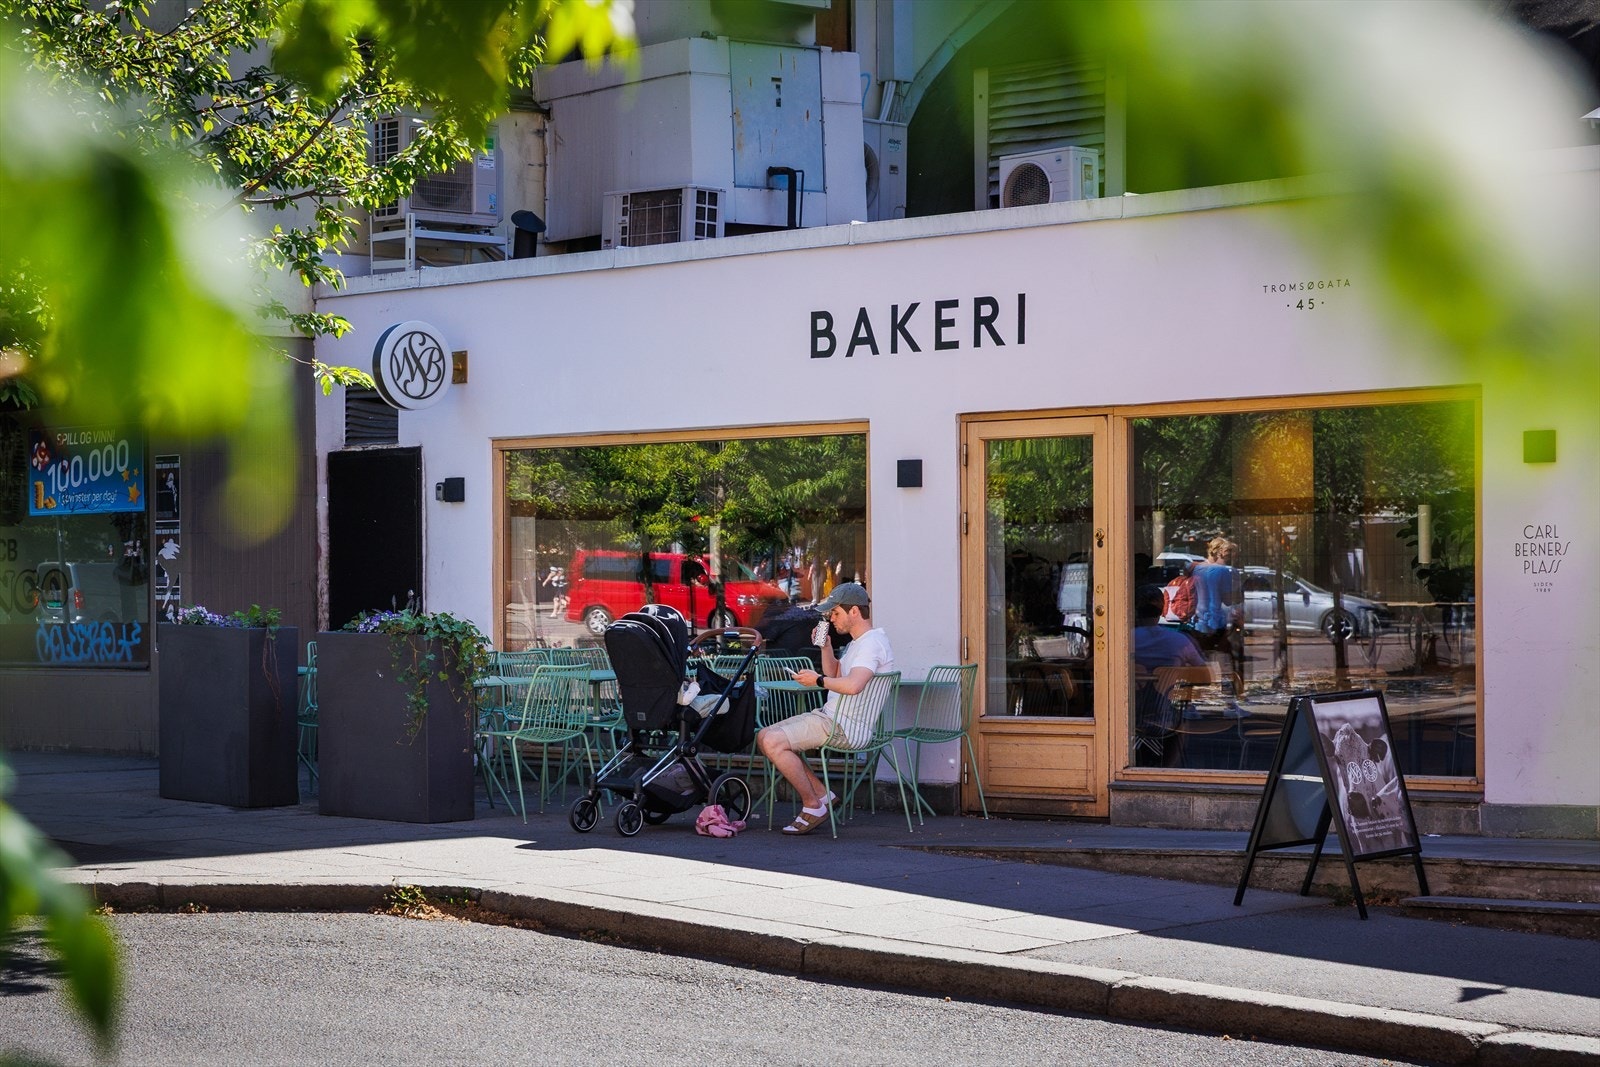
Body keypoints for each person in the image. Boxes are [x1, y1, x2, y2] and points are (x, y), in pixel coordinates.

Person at [754, 582, 894, 835]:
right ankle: (822, 795)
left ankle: (813, 805)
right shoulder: (859, 643)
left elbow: (852, 686)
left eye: (835, 613)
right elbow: (836, 673)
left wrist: (816, 680)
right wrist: (826, 647)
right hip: (832, 717)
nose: (831, 618)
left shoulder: (872, 645)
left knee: (774, 742)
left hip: (846, 726)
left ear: (854, 612)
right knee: (764, 736)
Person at [1190, 536, 1245, 700]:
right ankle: (1229, 700)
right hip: (1218, 620)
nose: (1232, 557)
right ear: (1222, 552)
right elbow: (1229, 599)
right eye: (1230, 553)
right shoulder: (1224, 571)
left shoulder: (1197, 568)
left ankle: (1191, 699)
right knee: (1225, 661)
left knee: (1197, 662)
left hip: (1199, 620)